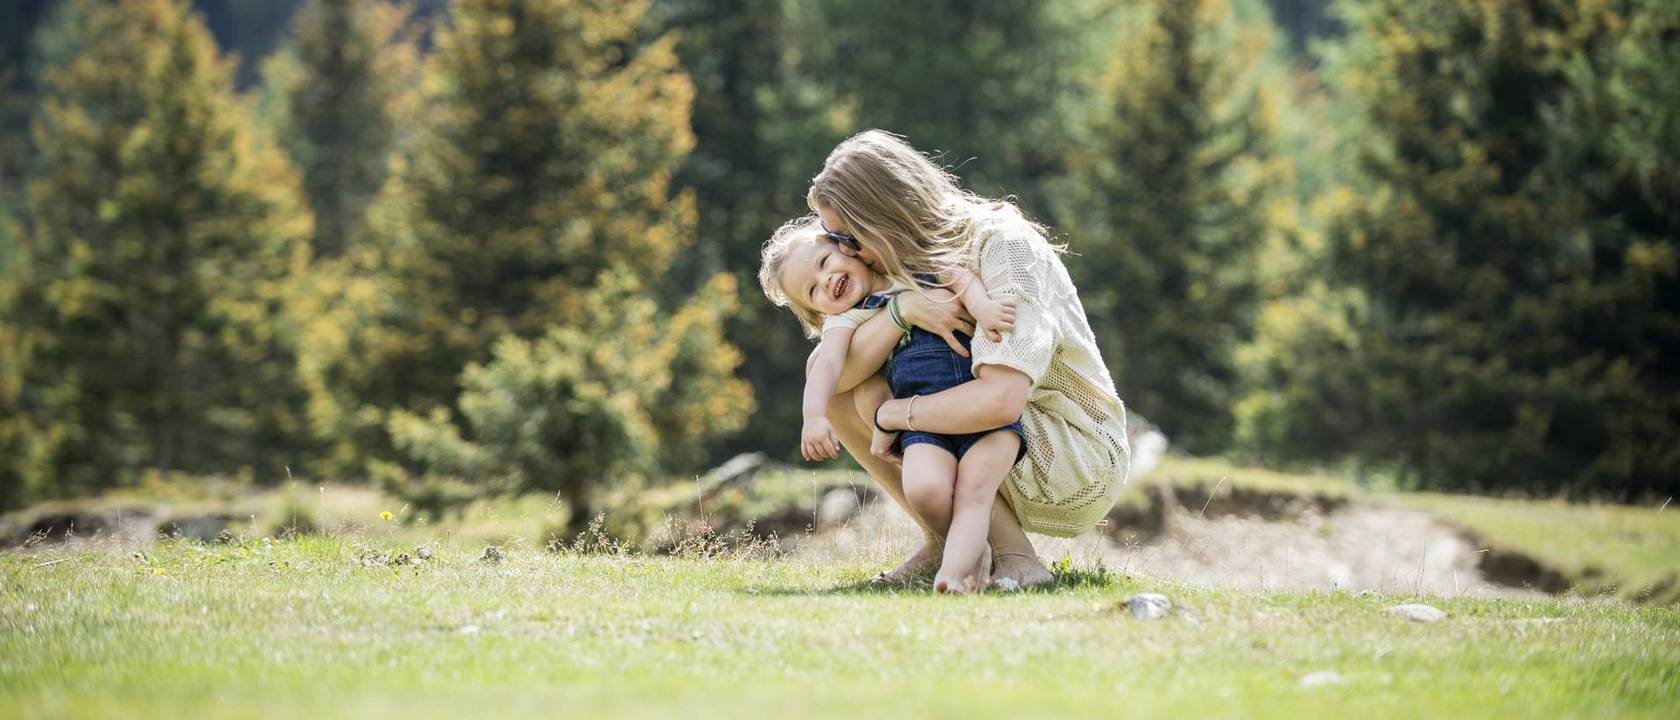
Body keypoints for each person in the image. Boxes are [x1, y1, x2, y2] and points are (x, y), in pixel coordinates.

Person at [805, 129, 1131, 588]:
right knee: (837, 375)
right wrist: (901, 312)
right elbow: (830, 374)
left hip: (1071, 452)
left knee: (870, 389)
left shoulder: (1002, 245)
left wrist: (894, 414)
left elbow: (1001, 400)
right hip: (996, 430)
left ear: (882, 217)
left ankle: (1014, 556)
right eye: (831, 238)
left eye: (847, 238)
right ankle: (947, 540)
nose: (843, 253)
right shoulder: (904, 266)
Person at [758, 217, 1022, 592]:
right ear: (816, 312)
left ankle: (986, 558)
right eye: (813, 290)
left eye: (823, 263)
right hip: (922, 423)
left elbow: (957, 273)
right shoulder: (846, 319)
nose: (827, 280)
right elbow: (827, 364)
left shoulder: (904, 265)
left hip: (971, 401)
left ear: (846, 247)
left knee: (973, 489)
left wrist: (982, 308)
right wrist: (813, 415)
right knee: (926, 490)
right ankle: (961, 560)